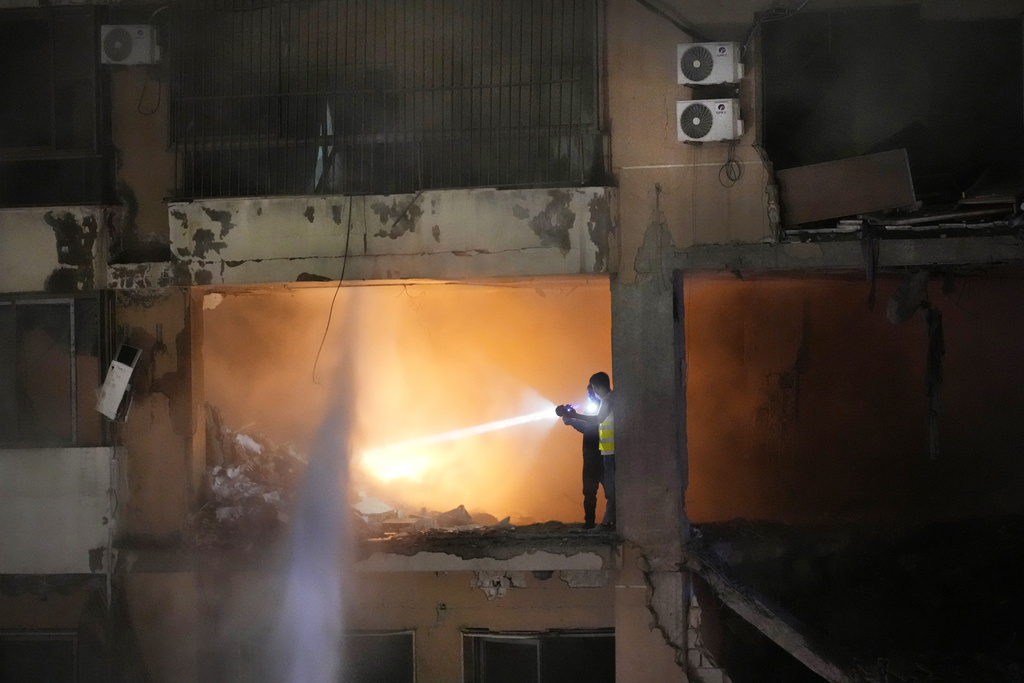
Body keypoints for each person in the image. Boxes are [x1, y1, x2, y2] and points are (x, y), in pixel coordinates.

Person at [556, 372, 615, 529]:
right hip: (593, 455)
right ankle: (591, 523)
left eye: (592, 391)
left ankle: (609, 523)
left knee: (611, 492)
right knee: (590, 492)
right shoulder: (600, 405)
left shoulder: (605, 404)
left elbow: (596, 423)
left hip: (603, 454)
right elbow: (588, 429)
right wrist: (573, 421)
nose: (590, 395)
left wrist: (576, 417)